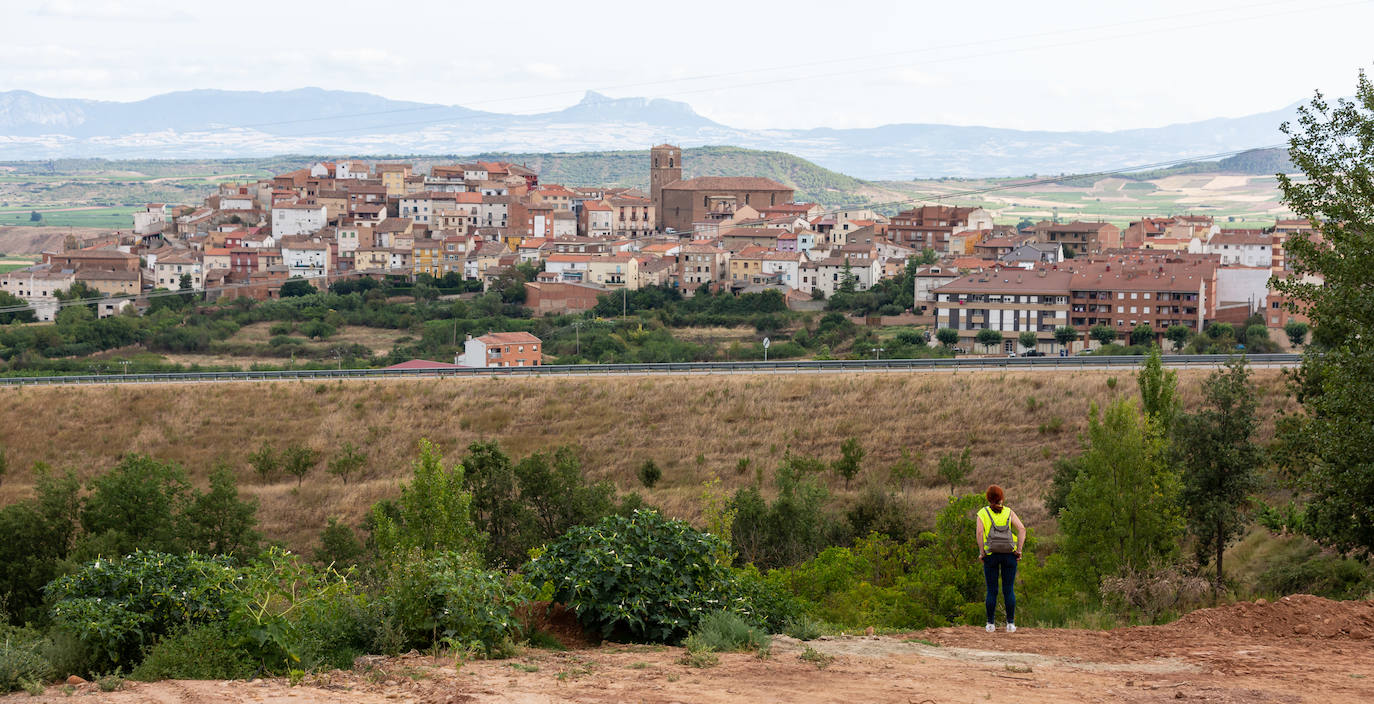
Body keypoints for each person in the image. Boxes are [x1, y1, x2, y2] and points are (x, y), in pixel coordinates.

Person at [975, 484, 1024, 633]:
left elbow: (979, 533)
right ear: (1002, 498)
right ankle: (1010, 624)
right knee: (1008, 590)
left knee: (992, 590)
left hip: (991, 554)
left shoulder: (982, 513)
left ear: (988, 498)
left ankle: (990, 624)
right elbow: (1022, 529)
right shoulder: (1009, 512)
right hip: (1009, 554)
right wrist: (1019, 550)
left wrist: (982, 552)